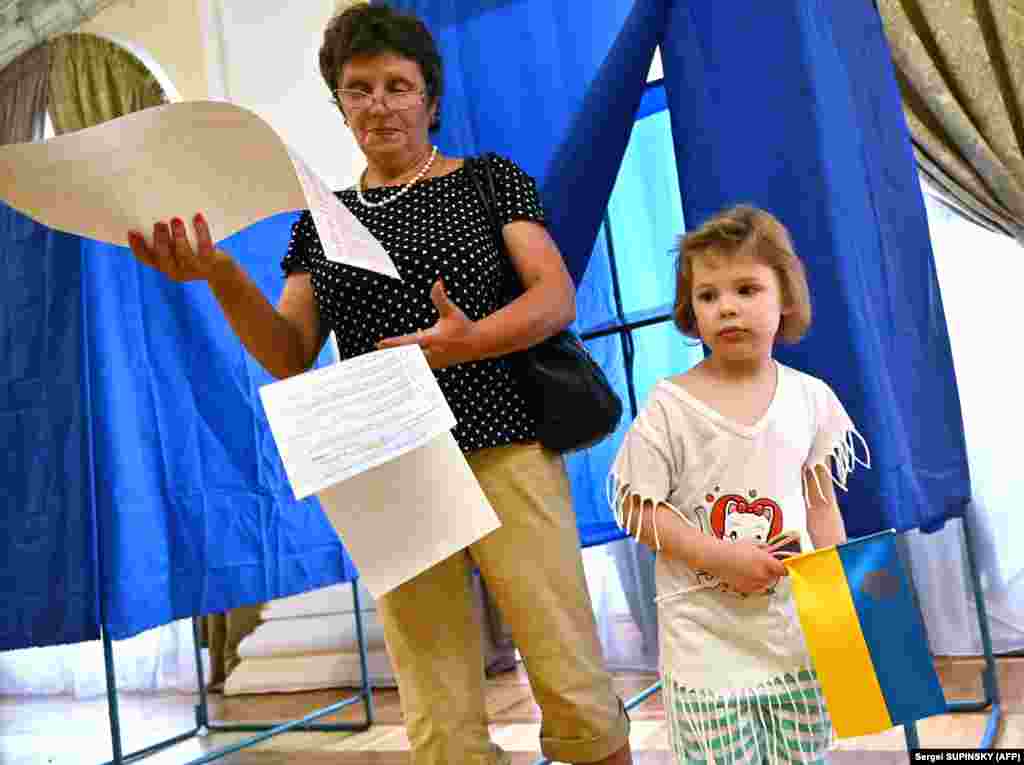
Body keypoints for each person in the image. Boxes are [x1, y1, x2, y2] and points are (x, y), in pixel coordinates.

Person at [124, 4, 632, 764]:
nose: (379, 104)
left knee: (568, 668)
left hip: (504, 443)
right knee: (435, 705)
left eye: (398, 85)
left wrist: (467, 343)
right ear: (340, 104)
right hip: (389, 466)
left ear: (431, 98)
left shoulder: (490, 180)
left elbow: (553, 297)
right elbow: (290, 351)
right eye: (359, 88)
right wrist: (221, 273)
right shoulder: (320, 221)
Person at [608, 205, 870, 764]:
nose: (726, 306)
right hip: (707, 642)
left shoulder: (811, 398)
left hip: (795, 635)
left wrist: (839, 612)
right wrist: (715, 555)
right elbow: (637, 508)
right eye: (708, 296)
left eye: (747, 289)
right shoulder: (669, 407)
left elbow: (822, 507)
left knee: (804, 755)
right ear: (692, 311)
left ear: (785, 298)